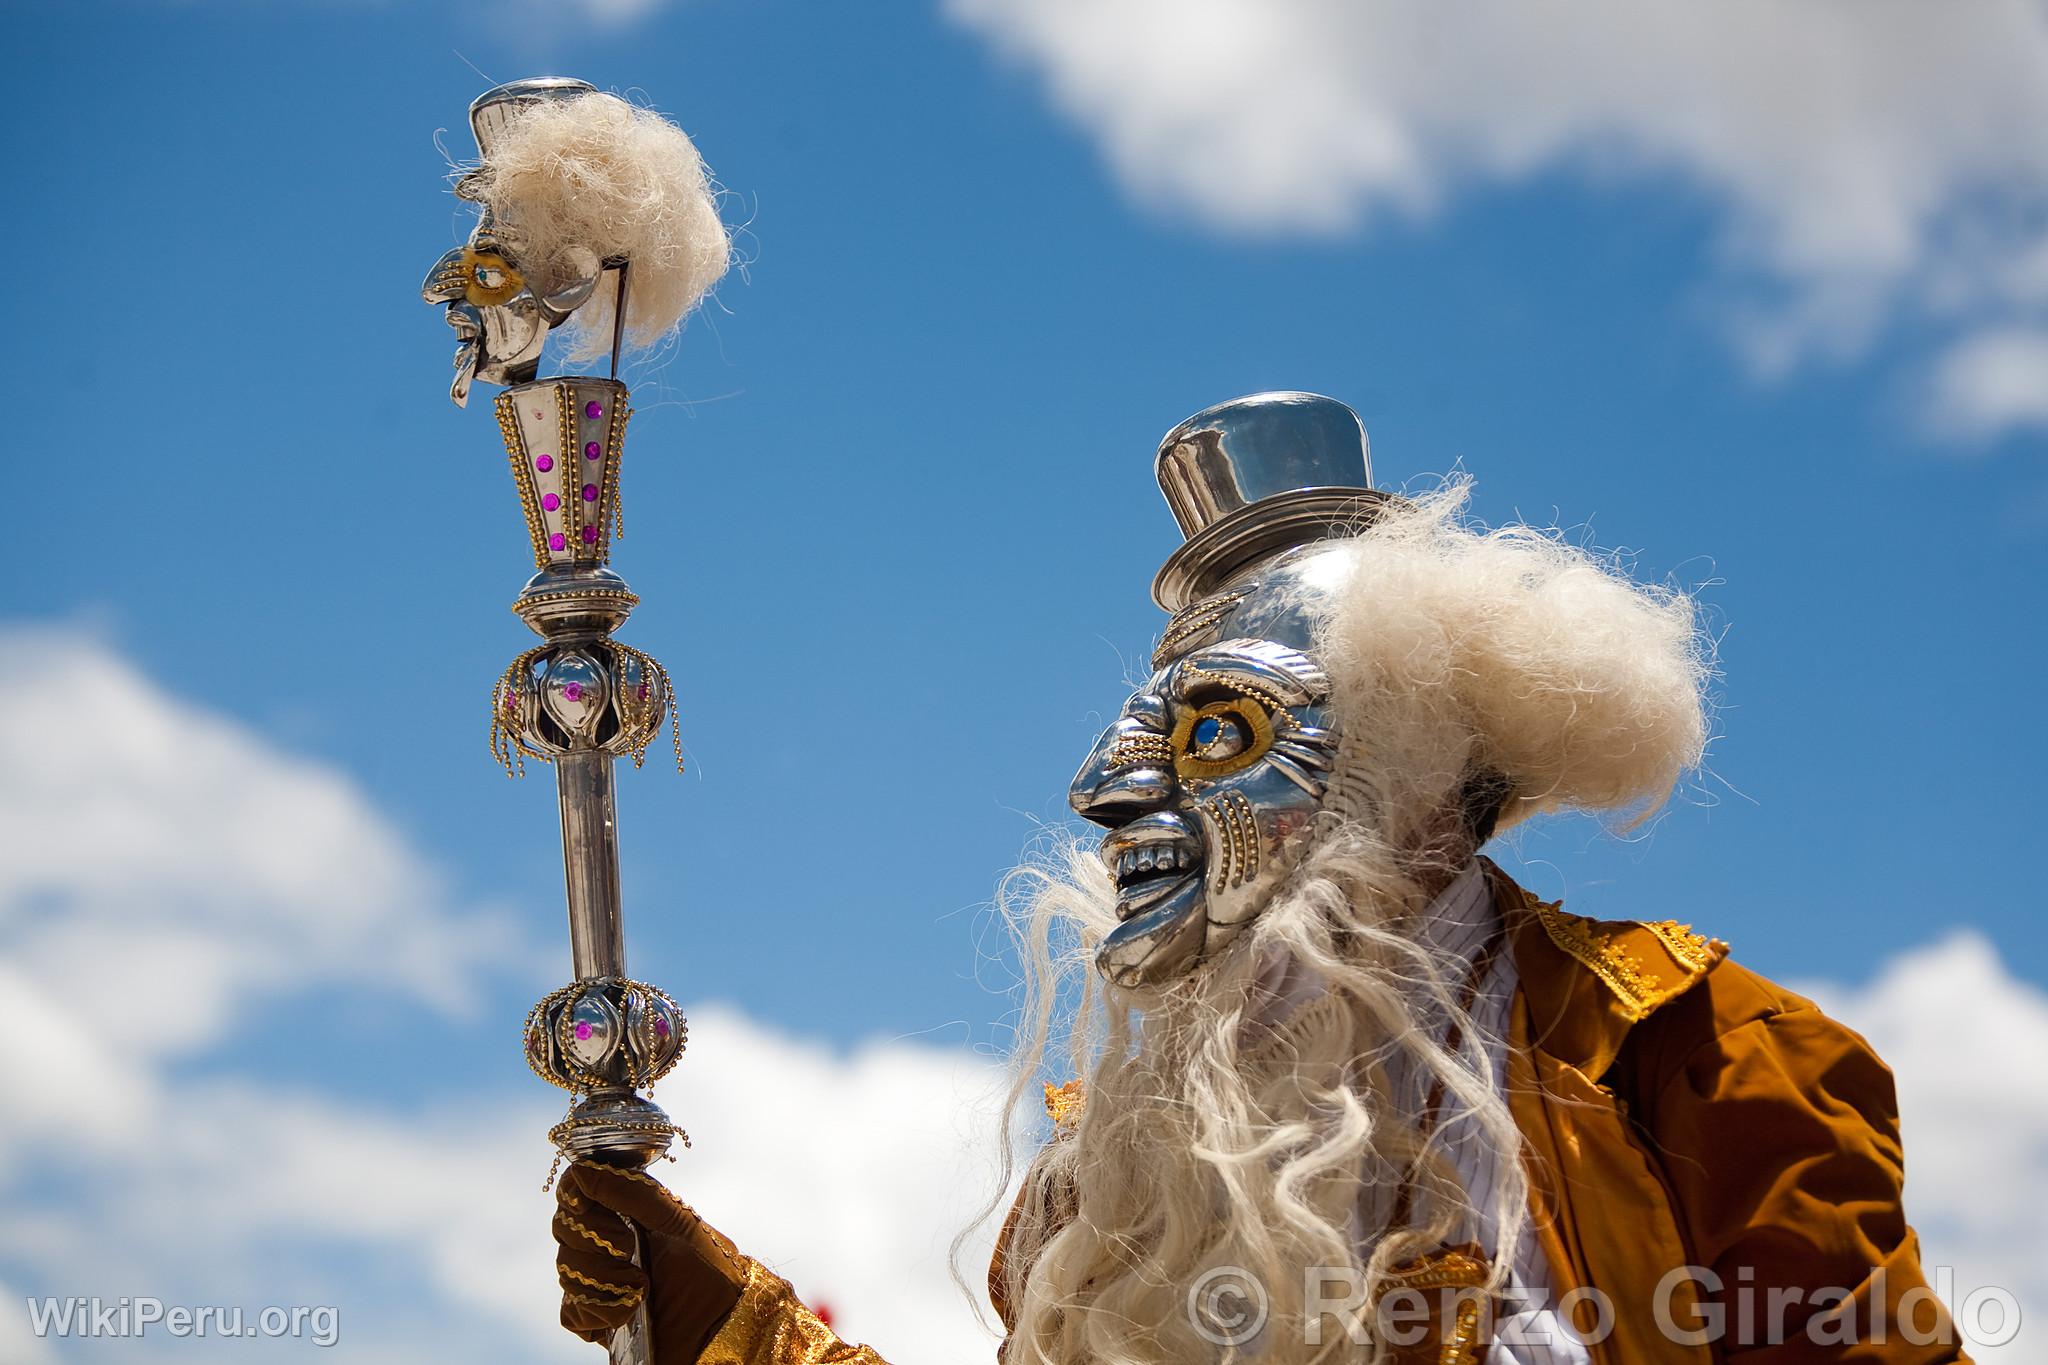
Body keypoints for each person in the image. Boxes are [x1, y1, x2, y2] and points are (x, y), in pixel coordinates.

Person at [552, 393, 1966, 1364]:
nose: (1106, 791)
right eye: (1138, 732)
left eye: (1216, 731)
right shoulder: (1107, 1188)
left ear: (1405, 770)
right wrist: (729, 1327)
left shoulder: (1701, 1072)